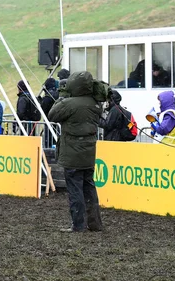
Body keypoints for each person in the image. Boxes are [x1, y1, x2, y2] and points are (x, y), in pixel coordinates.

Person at [48, 71, 103, 232]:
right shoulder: (95, 103)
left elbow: (52, 114)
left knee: (75, 190)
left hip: (72, 152)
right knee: (89, 188)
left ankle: (78, 224)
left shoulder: (69, 103)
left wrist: (62, 97)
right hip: (89, 152)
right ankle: (95, 223)